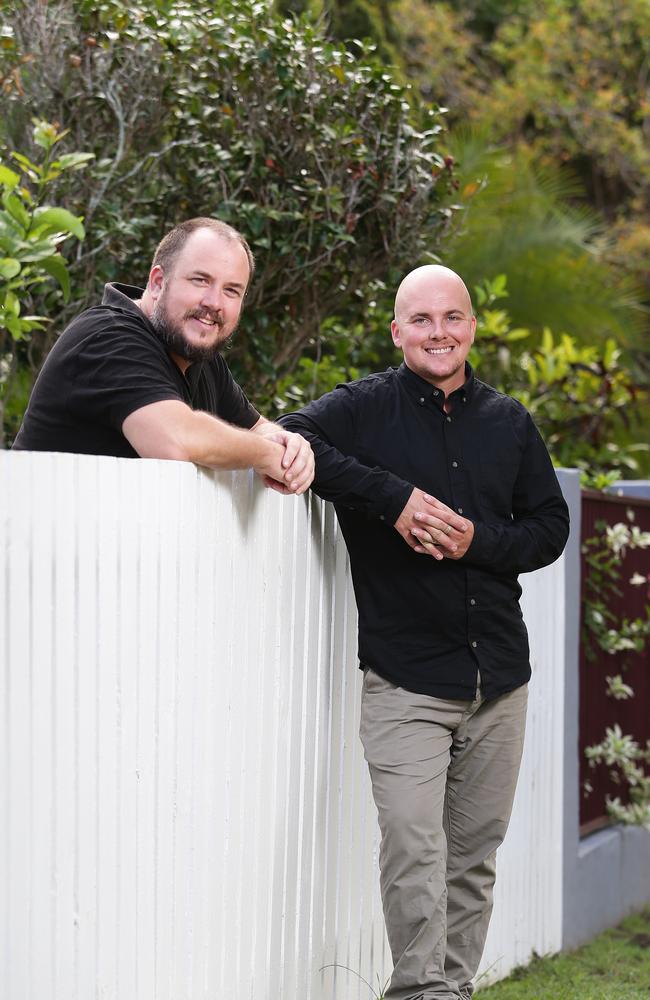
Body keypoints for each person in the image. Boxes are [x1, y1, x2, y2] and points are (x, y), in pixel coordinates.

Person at [280, 265, 570, 1000]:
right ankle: (419, 992)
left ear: (472, 326)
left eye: (452, 318)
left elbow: (550, 528)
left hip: (499, 677)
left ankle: (452, 989)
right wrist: (395, 500)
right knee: (414, 846)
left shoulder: (509, 422)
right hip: (406, 677)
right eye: (421, 320)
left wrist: (479, 543)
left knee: (473, 858)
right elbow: (288, 438)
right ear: (397, 331)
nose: (438, 333)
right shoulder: (362, 410)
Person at [13, 217, 314, 495]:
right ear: (158, 283)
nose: (214, 303)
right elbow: (175, 439)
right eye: (200, 280)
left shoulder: (200, 358)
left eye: (232, 290)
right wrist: (266, 454)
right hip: (36, 546)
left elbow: (258, 427)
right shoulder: (108, 336)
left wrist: (288, 444)